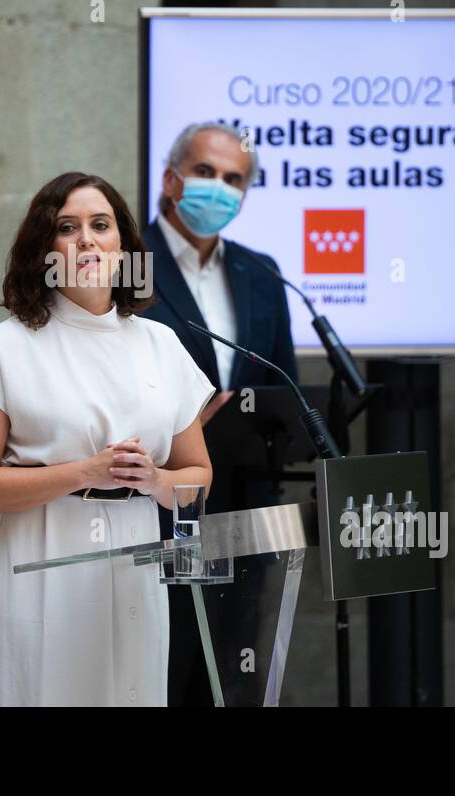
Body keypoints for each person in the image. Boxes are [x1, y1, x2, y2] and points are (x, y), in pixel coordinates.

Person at [0, 171, 217, 706]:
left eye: (101, 225)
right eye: (67, 227)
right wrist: (85, 473)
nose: (87, 239)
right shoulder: (9, 345)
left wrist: (157, 480)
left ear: (124, 246)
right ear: (45, 248)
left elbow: (198, 476)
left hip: (133, 556)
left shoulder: (160, 342)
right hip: (34, 553)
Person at [140, 121, 300, 706]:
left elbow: (284, 386)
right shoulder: (127, 263)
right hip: (160, 505)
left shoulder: (261, 271)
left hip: (243, 506)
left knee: (228, 677)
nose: (219, 188)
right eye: (205, 172)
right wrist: (187, 427)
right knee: (166, 663)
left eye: (234, 179)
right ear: (171, 178)